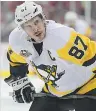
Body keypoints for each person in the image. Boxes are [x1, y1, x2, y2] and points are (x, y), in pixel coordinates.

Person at [4, 1, 96, 111]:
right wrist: (20, 82)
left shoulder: (61, 36)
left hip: (88, 86)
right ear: (22, 29)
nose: (35, 29)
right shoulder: (18, 40)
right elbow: (15, 60)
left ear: (43, 19)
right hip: (55, 92)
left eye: (36, 22)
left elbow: (92, 54)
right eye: (28, 26)